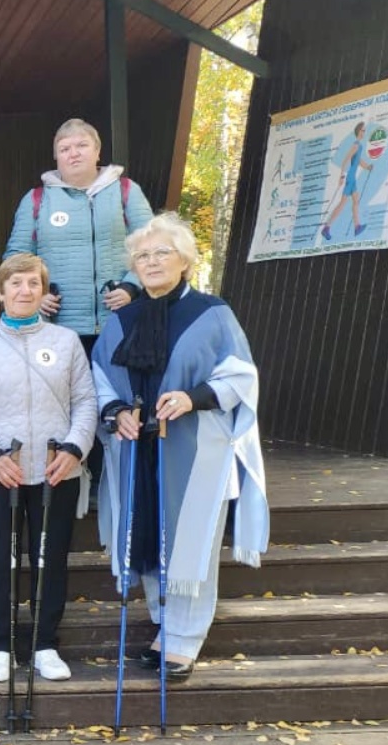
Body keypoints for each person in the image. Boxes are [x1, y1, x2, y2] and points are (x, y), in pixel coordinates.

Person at [92, 213, 269, 681]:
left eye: (161, 253)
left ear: (185, 260)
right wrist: (116, 411)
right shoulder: (122, 320)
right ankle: (163, 624)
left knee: (189, 538)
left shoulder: (212, 314)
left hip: (193, 445)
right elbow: (99, 377)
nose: (151, 262)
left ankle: (185, 637)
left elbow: (240, 374)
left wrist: (192, 398)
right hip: (138, 447)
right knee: (146, 532)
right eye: (142, 256)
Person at [0, 254, 97, 682]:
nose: (24, 290)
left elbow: (86, 401)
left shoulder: (66, 341)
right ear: (0, 292)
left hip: (56, 470)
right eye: (15, 283)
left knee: (50, 560)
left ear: (43, 291)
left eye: (33, 283)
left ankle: (45, 643)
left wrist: (75, 449)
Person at [3, 119, 154, 490]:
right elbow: (17, 257)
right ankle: (71, 483)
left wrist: (132, 287)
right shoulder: (37, 199)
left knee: (116, 403)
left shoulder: (126, 192)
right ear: (56, 156)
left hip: (118, 324)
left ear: (97, 151)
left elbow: (152, 245)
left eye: (81, 146)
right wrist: (38, 294)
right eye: (65, 148)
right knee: (67, 404)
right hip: (60, 328)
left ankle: (109, 484)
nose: (73, 153)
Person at [320, 122, 374, 241]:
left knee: (355, 200)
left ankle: (357, 226)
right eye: (362, 130)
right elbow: (345, 160)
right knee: (342, 204)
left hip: (352, 178)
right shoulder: (355, 145)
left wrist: (368, 167)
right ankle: (327, 228)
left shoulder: (359, 146)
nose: (364, 133)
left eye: (364, 131)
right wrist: (341, 177)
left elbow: (358, 161)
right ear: (358, 132)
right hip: (349, 178)